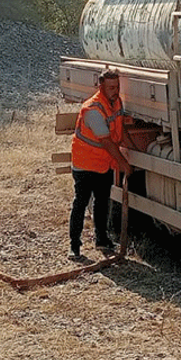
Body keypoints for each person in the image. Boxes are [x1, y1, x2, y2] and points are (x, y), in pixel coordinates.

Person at [68, 68, 131, 258]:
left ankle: (102, 240)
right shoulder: (93, 109)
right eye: (111, 87)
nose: (115, 90)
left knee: (102, 202)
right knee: (81, 203)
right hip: (85, 164)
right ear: (101, 87)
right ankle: (74, 246)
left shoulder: (116, 103)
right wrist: (123, 164)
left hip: (103, 164)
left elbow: (119, 129)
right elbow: (106, 141)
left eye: (117, 86)